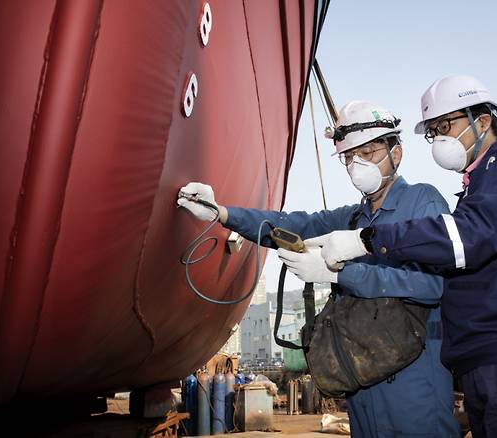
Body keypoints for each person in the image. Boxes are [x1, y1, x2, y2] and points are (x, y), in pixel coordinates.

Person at [307, 75, 497, 438]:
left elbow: (467, 238)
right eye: (434, 131)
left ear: (482, 121)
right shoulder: (477, 189)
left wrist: (367, 241)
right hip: (490, 369)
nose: (439, 138)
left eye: (445, 126)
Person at [177, 101, 460, 437]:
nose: (358, 165)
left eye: (368, 152)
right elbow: (290, 224)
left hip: (414, 377)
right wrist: (222, 213)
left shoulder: (422, 201)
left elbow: (433, 286)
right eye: (349, 157)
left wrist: (340, 274)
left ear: (395, 154)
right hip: (364, 373)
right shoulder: (351, 219)